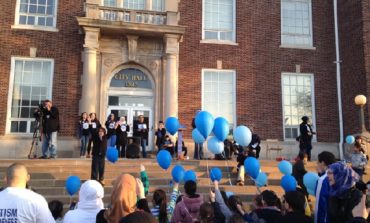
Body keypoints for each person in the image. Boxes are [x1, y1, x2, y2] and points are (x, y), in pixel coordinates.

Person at [315, 151, 336, 223]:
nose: (317, 164)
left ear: (323, 163)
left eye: (318, 162)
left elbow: (320, 206)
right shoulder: (339, 175)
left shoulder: (322, 180)